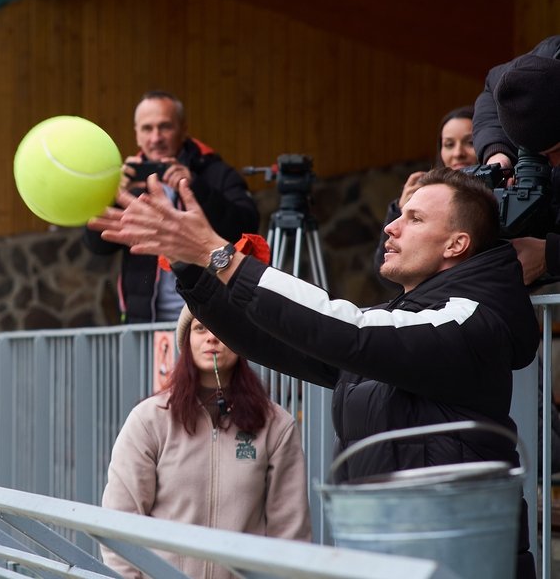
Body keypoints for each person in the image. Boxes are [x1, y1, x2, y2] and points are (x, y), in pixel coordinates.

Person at [87, 167, 540, 578]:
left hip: (459, 562)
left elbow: (347, 329)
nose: (391, 226)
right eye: (399, 215)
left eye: (415, 219)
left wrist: (220, 255)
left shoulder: (471, 319)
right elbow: (278, 340)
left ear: (456, 244)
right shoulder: (405, 319)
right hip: (387, 554)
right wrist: (193, 268)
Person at [100, 305, 311, 578]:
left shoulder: (276, 425)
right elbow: (120, 520)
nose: (212, 337)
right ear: (186, 340)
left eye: (222, 326)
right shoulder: (149, 420)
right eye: (200, 328)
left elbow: (290, 533)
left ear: (239, 339)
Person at [83, 90, 259, 324]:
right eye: (147, 128)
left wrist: (196, 187)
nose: (156, 138)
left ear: (183, 129)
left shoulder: (214, 173)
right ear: (136, 134)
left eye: (165, 127)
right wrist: (115, 195)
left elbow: (247, 225)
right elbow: (95, 246)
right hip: (146, 324)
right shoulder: (125, 182)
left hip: (209, 323)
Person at [472, 36, 560, 285]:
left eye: (556, 150)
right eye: (541, 154)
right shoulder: (535, 68)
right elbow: (493, 89)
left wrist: (551, 254)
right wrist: (497, 153)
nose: (552, 163)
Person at [374, 106, 477, 289]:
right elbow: (386, 275)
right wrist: (400, 210)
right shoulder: (423, 192)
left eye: (470, 142)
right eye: (449, 144)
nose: (458, 153)